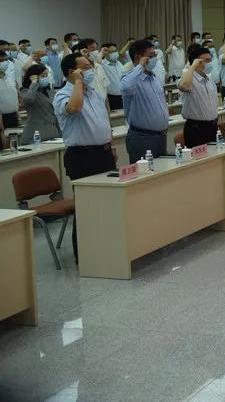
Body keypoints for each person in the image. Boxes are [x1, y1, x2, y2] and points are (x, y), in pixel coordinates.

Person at [54, 53, 115, 263]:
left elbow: (104, 120)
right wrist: (78, 82)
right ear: (72, 72)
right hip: (82, 157)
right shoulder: (62, 95)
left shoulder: (94, 93)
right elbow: (74, 108)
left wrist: (111, 144)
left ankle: (106, 247)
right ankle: (85, 256)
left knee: (108, 204)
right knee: (86, 208)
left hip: (103, 153)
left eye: (90, 67)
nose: (90, 71)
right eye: (85, 68)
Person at [121, 39, 170, 163]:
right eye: (151, 56)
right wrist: (140, 66)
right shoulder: (131, 79)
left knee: (162, 172)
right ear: (139, 57)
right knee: (144, 172)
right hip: (142, 138)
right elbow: (125, 88)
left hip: (161, 136)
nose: (155, 59)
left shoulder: (153, 77)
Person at [178, 44, 218, 148]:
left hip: (212, 126)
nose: (210, 63)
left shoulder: (209, 79)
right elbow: (184, 86)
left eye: (210, 60)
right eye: (207, 60)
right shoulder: (189, 78)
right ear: (197, 62)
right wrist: (192, 66)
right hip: (196, 128)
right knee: (200, 157)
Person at [20, 63, 60, 141]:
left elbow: (54, 114)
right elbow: (29, 99)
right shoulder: (26, 91)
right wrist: (34, 83)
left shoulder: (47, 91)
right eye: (43, 75)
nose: (45, 78)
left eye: (46, 75)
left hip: (53, 132)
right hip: (36, 134)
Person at [100, 42, 124, 110]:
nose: (114, 53)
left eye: (115, 51)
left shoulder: (119, 63)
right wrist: (101, 53)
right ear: (105, 53)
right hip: (111, 97)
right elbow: (95, 62)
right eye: (111, 52)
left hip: (123, 95)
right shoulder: (102, 64)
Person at [0, 48, 20, 131]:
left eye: (5, 60)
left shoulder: (7, 77)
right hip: (2, 119)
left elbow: (13, 97)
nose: (4, 63)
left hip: (12, 116)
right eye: (1, 60)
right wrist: (1, 130)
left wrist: (17, 115)